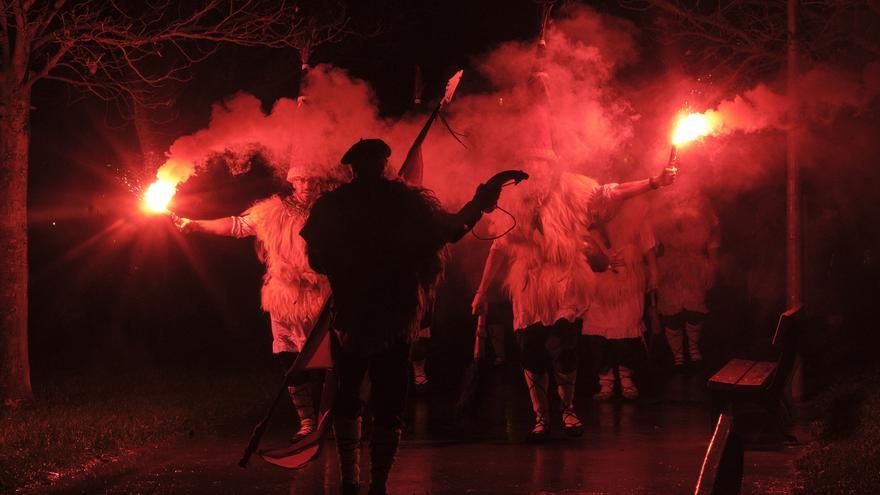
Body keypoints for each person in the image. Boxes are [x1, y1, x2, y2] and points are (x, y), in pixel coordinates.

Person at [300, 138, 506, 495]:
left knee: (352, 396)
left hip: (356, 313)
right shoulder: (402, 203)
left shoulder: (334, 205)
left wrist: (348, 269)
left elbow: (316, 259)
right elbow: (453, 229)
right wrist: (481, 201)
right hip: (389, 315)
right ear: (384, 165)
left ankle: (355, 482)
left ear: (353, 167)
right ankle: (373, 483)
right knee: (386, 398)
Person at [472, 161, 676, 440]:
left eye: (545, 166)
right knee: (532, 355)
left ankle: (568, 409)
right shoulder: (514, 203)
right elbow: (497, 247)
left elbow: (612, 193)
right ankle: (541, 417)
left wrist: (653, 181)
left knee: (563, 350)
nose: (540, 173)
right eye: (535, 166)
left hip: (564, 284)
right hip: (529, 289)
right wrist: (481, 291)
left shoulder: (572, 191)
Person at [174, 165, 335, 442]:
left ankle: (327, 420)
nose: (309, 185)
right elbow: (238, 225)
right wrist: (197, 224)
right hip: (285, 296)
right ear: (294, 182)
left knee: (327, 360)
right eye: (303, 179)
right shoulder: (272, 211)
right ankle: (307, 422)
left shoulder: (335, 210)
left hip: (324, 294)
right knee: (290, 358)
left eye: (314, 179)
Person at [582, 201, 658, 400]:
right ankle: (605, 382)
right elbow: (582, 247)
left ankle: (626, 379)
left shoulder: (637, 215)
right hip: (598, 282)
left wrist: (654, 273)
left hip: (629, 280)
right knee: (598, 335)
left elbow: (648, 246)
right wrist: (602, 260)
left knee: (626, 332)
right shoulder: (591, 217)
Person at [653, 189, 720, 368]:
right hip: (669, 266)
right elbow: (652, 243)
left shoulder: (701, 202)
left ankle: (693, 349)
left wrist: (712, 266)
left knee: (695, 310)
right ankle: (678, 356)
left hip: (695, 264)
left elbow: (713, 236)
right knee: (671, 314)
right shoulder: (660, 205)